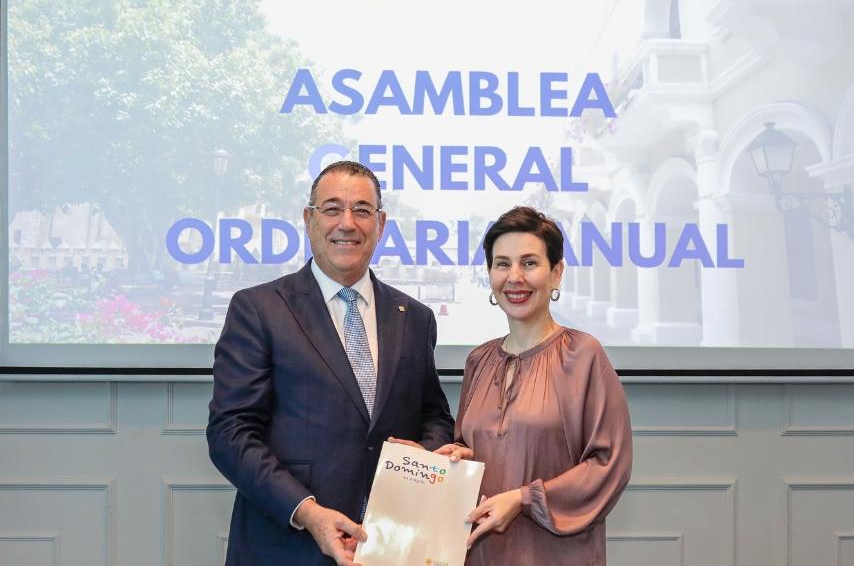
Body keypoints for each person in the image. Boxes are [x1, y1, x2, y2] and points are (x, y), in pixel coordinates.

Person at [207, 161, 454, 566]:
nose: (347, 223)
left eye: (362, 210)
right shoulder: (259, 309)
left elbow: (435, 418)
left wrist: (423, 455)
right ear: (309, 220)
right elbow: (229, 434)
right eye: (332, 209)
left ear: (381, 224)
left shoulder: (415, 317)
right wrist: (307, 512)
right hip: (288, 546)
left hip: (391, 547)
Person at [436, 206, 632, 565]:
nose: (514, 277)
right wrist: (455, 456)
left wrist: (524, 499)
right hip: (481, 553)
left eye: (529, 263)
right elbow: (471, 445)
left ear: (556, 273)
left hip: (556, 554)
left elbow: (609, 465)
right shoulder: (478, 360)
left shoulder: (583, 355)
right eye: (502, 264)